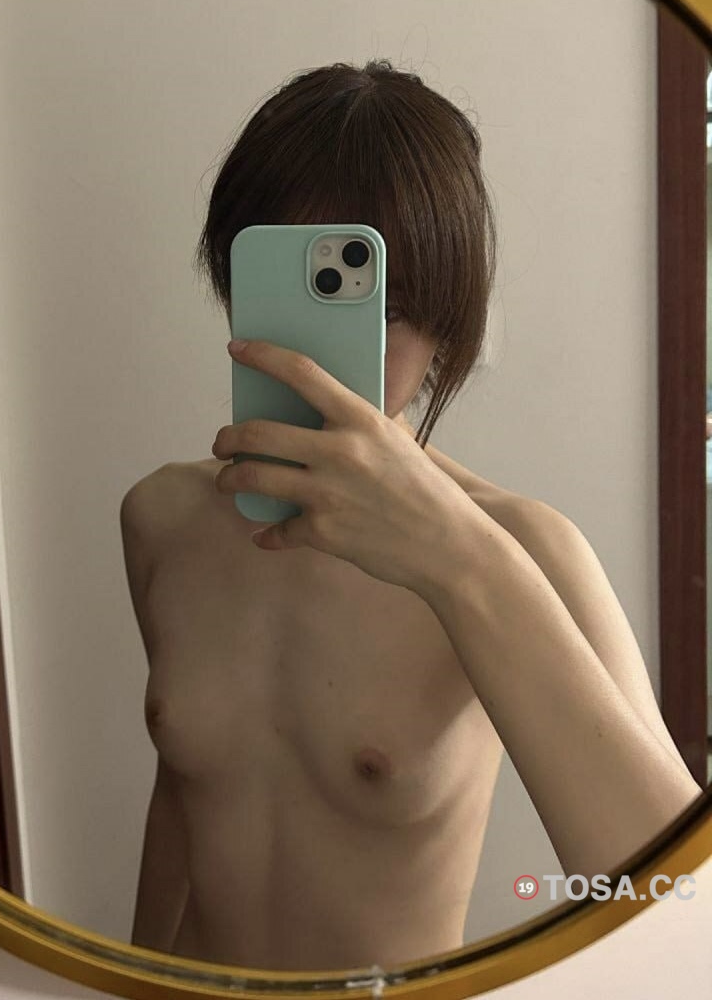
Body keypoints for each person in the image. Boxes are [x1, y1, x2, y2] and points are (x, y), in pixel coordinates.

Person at [121, 61, 702, 973]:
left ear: (446, 323)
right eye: (290, 291)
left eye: (378, 308)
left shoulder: (520, 550)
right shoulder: (161, 518)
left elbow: (677, 904)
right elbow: (182, 801)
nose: (323, 352)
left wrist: (459, 562)